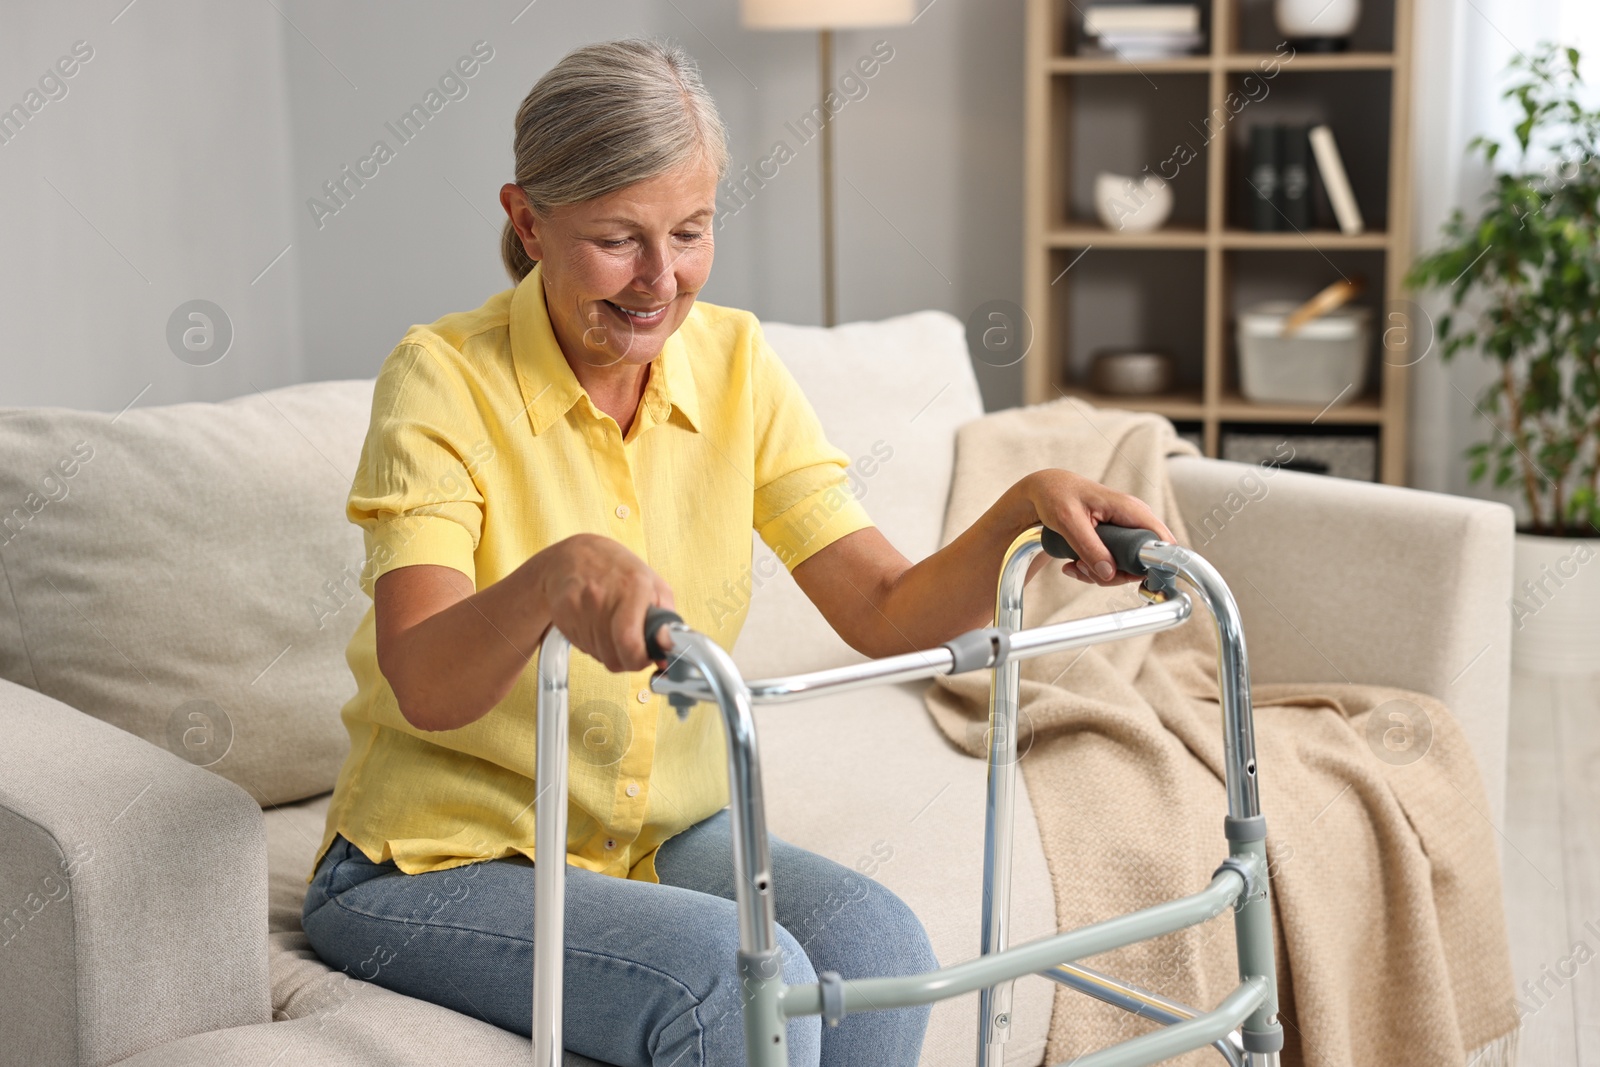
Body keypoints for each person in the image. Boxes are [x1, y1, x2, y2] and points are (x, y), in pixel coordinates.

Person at [300, 36, 1173, 1067]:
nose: (659, 280)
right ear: (527, 219)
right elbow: (425, 681)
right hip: (430, 861)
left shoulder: (737, 365)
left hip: (654, 838)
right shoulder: (441, 378)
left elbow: (883, 603)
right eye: (618, 238)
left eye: (690, 230)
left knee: (877, 945)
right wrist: (550, 579)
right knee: (732, 981)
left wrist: (1017, 514)